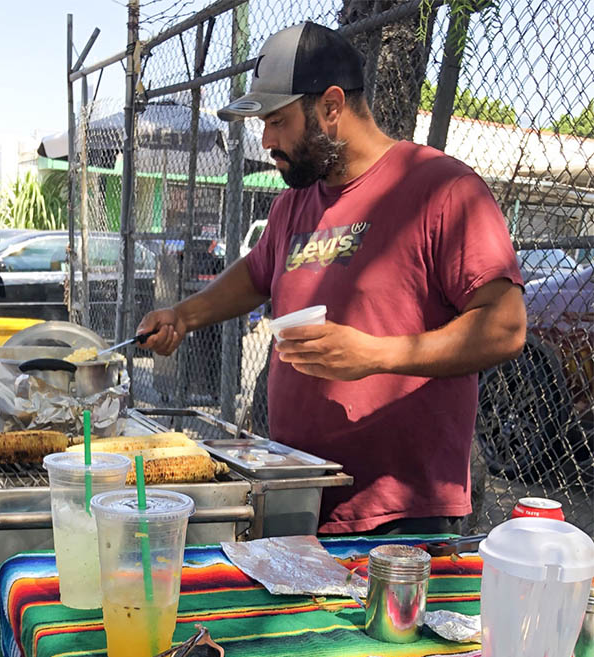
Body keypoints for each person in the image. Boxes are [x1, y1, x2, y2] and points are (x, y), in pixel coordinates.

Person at [137, 21, 527, 535]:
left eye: (278, 121)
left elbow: (505, 326)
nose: (266, 139)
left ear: (332, 106)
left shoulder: (443, 189)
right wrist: (183, 315)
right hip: (297, 495)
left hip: (400, 515)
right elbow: (257, 272)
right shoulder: (294, 203)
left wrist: (376, 355)